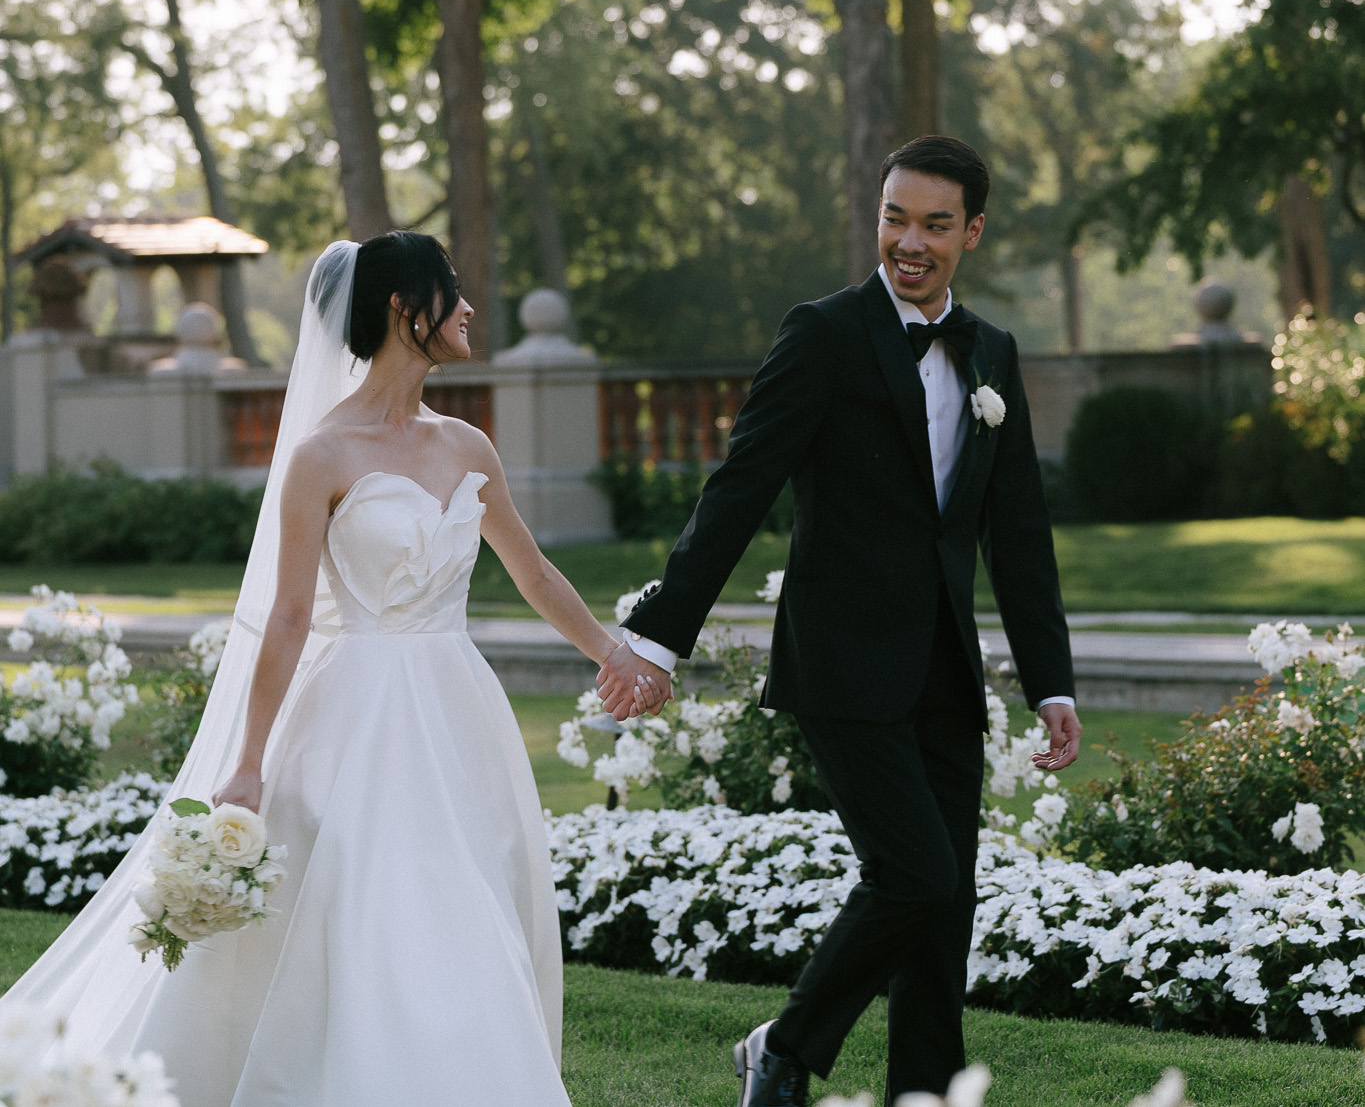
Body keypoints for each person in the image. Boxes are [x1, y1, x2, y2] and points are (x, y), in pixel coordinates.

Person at [2, 232, 661, 1105]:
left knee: (468, 898)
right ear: (402, 308)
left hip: (458, 711)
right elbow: (286, 616)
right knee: (362, 903)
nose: (467, 308)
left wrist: (615, 655)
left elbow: (534, 574)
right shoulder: (321, 453)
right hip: (353, 715)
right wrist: (246, 761)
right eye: (450, 291)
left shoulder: (468, 445)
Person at [596, 135, 1082, 1105]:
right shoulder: (823, 333)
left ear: (971, 232)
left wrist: (1051, 681)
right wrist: (659, 633)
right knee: (915, 875)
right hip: (841, 659)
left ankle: (928, 1093)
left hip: (946, 668)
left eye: (934, 224)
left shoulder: (993, 353)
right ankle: (785, 1045)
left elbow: (1018, 530)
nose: (909, 240)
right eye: (894, 217)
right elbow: (741, 485)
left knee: (946, 911)